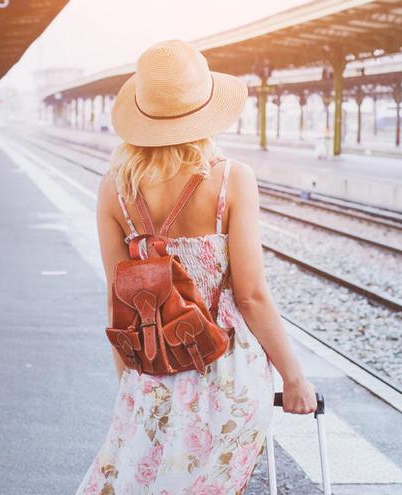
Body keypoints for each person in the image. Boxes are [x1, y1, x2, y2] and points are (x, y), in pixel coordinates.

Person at [73, 39, 318, 494]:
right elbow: (251, 295)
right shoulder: (231, 179)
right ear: (206, 110)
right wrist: (294, 377)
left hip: (153, 373)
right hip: (229, 378)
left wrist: (132, 385)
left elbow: (118, 299)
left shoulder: (114, 189)